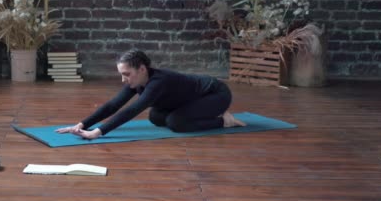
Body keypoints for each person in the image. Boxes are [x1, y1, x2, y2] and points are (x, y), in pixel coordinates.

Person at [56, 49, 246, 140]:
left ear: (142, 69)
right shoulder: (136, 80)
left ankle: (224, 121)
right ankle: (205, 115)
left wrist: (97, 133)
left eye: (126, 74)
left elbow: (132, 110)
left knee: (176, 123)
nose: (124, 80)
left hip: (216, 94)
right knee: (155, 116)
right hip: (189, 98)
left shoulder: (158, 82)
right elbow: (113, 105)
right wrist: (81, 125)